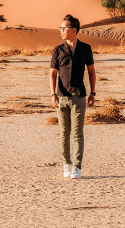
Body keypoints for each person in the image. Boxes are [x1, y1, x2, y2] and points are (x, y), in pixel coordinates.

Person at [49, 14, 96, 179]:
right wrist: (53, 94)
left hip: (80, 97)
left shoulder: (85, 48)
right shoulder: (58, 50)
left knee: (78, 133)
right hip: (61, 97)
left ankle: (77, 167)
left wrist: (93, 93)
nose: (61, 31)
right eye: (60, 28)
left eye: (64, 28)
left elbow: (91, 71)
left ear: (74, 30)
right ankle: (66, 164)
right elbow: (53, 73)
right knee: (64, 133)